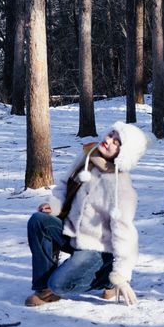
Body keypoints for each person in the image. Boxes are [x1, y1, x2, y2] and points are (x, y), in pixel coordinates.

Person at [25, 120, 149, 307]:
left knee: (59, 284)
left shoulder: (121, 188)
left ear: (124, 153)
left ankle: (106, 280)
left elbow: (125, 234)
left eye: (117, 142)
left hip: (96, 248)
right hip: (72, 232)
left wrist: (121, 275)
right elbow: (64, 185)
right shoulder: (88, 156)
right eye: (111, 134)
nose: (109, 140)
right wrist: (54, 206)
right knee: (39, 221)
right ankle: (44, 289)